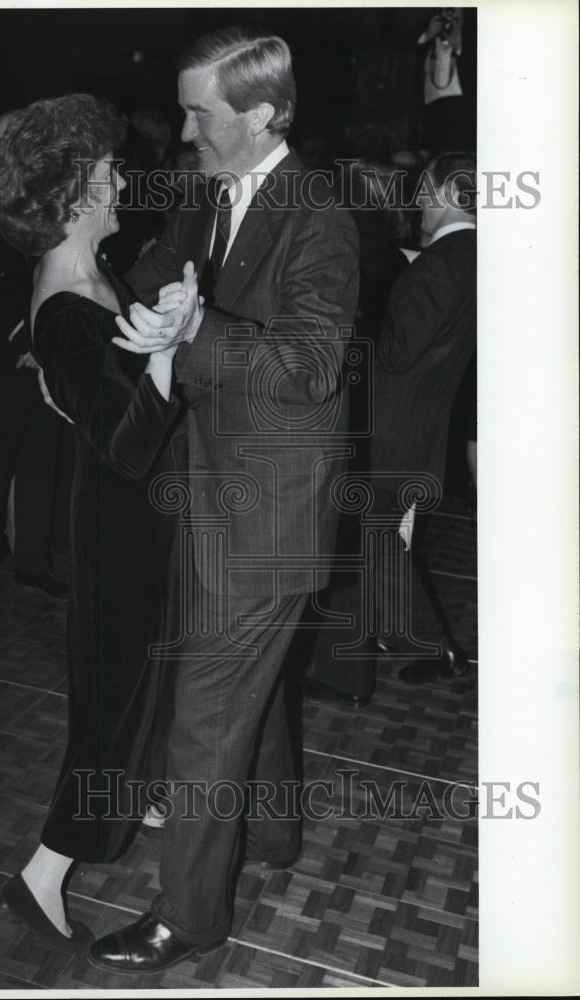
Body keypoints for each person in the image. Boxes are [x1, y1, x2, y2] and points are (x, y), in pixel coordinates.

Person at [89, 26, 360, 972]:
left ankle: (191, 917)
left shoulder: (317, 217)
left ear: (257, 114)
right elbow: (163, 268)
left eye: (199, 111)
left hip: (270, 515)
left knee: (206, 712)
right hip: (216, 489)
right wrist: (131, 300)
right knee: (252, 686)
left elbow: (312, 366)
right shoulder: (210, 196)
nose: (182, 126)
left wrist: (198, 331)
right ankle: (275, 837)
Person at [0, 94, 185, 952]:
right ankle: (42, 875)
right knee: (114, 700)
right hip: (119, 526)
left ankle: (137, 788)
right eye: (105, 176)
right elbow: (128, 440)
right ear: (71, 192)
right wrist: (168, 351)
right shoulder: (69, 300)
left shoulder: (93, 276)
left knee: (132, 683)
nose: (118, 185)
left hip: (129, 518)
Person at [308, 151, 476, 698]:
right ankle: (418, 641)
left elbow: (397, 352)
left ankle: (430, 647)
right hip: (419, 428)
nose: (419, 203)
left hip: (388, 430)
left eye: (425, 192)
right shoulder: (475, 255)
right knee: (380, 542)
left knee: (371, 540)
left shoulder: (439, 261)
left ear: (449, 194)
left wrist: (355, 324)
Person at [0, 112, 70, 613]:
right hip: (5, 353)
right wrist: (23, 333)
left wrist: (44, 338)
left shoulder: (52, 204)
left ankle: (33, 564)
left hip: (47, 352)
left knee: (41, 461)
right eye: (6, 144)